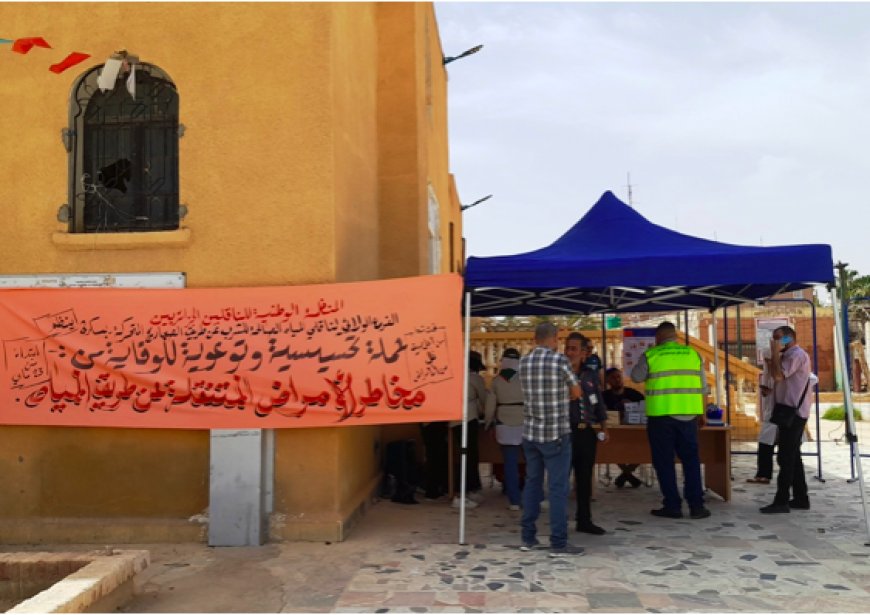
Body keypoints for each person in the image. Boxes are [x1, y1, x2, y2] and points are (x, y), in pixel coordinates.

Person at [630, 321, 711, 520]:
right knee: (691, 461)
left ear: (658, 338)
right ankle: (697, 506)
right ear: (676, 336)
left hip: (661, 417)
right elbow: (703, 388)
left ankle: (672, 505)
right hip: (689, 416)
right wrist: (702, 413)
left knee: (664, 462)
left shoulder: (652, 355)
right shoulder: (693, 355)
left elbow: (636, 377)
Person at [518, 322, 584, 557]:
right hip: (556, 433)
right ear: (554, 338)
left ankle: (528, 536)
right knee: (557, 488)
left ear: (535, 338)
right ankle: (558, 541)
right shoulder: (560, 361)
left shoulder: (523, 362)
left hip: (531, 432)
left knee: (532, 484)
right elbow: (576, 393)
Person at [760, 325, 813, 514]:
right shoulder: (785, 356)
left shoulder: (796, 355)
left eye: (778, 338)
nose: (775, 342)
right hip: (785, 411)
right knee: (793, 456)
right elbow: (777, 380)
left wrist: (774, 353)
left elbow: (778, 375)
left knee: (786, 457)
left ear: (788, 338)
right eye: (774, 338)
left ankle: (781, 500)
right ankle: (800, 497)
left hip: (795, 413)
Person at [564, 332, 608, 535]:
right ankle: (559, 520)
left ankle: (585, 519)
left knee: (584, 478)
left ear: (583, 352)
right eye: (568, 348)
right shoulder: (560, 373)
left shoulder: (590, 375)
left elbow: (597, 401)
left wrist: (603, 427)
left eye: (574, 349)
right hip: (565, 432)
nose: (570, 352)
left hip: (586, 432)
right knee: (561, 478)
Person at [483, 348, 524, 511]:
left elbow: (489, 407)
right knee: (532, 463)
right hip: (525, 422)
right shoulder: (526, 378)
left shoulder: (497, 381)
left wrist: (487, 423)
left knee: (510, 464)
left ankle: (514, 500)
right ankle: (537, 497)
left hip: (504, 424)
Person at [451, 350, 486, 509]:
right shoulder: (475, 378)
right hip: (469, 418)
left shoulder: (454, 376)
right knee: (470, 455)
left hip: (454, 419)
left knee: (462, 455)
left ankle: (465, 489)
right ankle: (465, 491)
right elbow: (484, 399)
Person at [602, 367, 645, 488]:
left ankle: (626, 474)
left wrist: (633, 406)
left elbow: (645, 407)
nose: (617, 380)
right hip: (613, 433)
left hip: (635, 432)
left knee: (645, 448)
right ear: (608, 381)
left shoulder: (633, 393)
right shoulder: (604, 396)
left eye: (619, 377)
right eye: (613, 378)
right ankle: (627, 474)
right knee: (610, 448)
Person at [747, 349, 777, 485]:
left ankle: (764, 475)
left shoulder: (779, 373)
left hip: (780, 414)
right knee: (765, 445)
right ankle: (763, 474)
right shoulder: (767, 374)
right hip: (770, 413)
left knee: (768, 446)